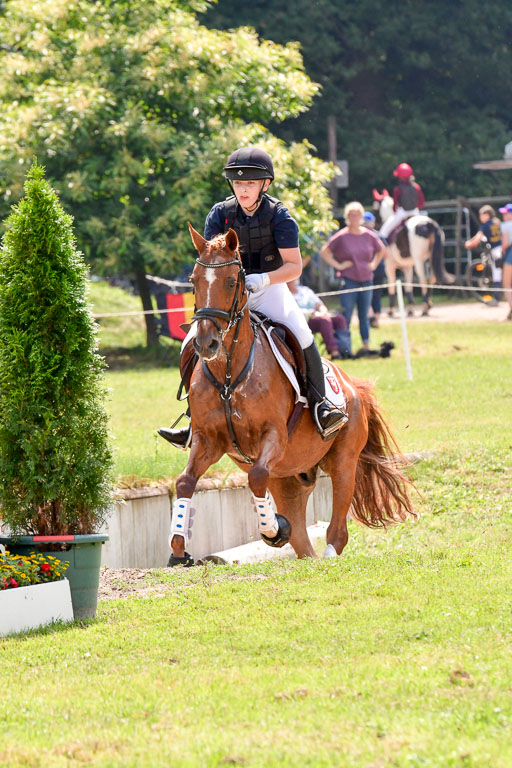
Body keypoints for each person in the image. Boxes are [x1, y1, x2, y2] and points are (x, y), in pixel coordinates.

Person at [158, 147, 347, 448]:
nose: (243, 189)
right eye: (238, 183)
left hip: (269, 289)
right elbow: (211, 259)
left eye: (250, 183)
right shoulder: (220, 214)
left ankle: (321, 406)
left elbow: (294, 267)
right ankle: (194, 419)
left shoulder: (280, 217)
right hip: (228, 294)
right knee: (191, 341)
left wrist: (263, 279)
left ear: (265, 184)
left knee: (302, 333)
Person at [319, 201, 384, 356]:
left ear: (361, 216)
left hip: (366, 279)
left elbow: (381, 249)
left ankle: (366, 346)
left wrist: (374, 264)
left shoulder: (368, 235)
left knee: (364, 315)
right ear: (347, 217)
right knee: (346, 314)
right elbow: (324, 251)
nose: (354, 217)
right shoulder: (342, 236)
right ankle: (345, 346)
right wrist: (339, 265)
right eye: (351, 215)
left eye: (357, 214)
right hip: (349, 280)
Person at [287, 278, 351, 359]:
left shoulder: (305, 290)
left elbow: (319, 304)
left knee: (340, 319)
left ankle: (345, 350)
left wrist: (322, 312)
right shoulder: (287, 295)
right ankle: (334, 352)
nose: (292, 281)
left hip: (319, 315)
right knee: (325, 321)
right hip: (305, 320)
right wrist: (312, 314)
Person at [464, 204, 502, 305]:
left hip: (496, 251)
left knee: (497, 274)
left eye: (481, 215)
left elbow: (478, 237)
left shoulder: (485, 225)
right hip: (504, 249)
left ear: (487, 215)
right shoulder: (497, 222)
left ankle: (497, 299)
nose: (480, 217)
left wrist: (469, 243)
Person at [379, 162, 425, 240]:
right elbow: (421, 202)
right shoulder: (416, 187)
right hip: (415, 211)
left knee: (384, 230)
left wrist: (395, 211)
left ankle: (382, 239)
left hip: (403, 212)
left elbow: (395, 205)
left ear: (400, 177)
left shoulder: (398, 189)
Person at [363, 210, 389, 328]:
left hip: (364, 269)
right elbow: (386, 254)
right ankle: (376, 320)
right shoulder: (379, 236)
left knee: (365, 293)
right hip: (379, 268)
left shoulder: (360, 235)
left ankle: (370, 316)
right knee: (377, 294)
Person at [499, 202, 512, 320]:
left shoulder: (506, 225)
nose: (504, 215)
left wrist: (502, 251)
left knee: (506, 283)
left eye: (506, 213)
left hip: (510, 254)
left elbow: (505, 243)